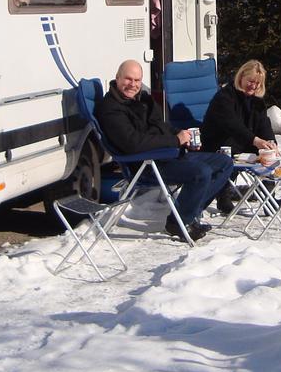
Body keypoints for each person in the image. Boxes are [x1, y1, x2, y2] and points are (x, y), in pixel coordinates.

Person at [96, 59, 233, 241]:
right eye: (128, 79)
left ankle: (188, 213)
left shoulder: (141, 99)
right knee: (201, 173)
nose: (133, 85)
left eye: (137, 80)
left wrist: (182, 136)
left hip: (166, 155)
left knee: (224, 162)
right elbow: (133, 143)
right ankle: (177, 223)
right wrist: (175, 141)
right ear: (117, 78)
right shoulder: (111, 109)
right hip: (147, 165)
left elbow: (160, 126)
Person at [201, 59, 279, 215]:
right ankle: (222, 196)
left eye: (257, 83)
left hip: (241, 141)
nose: (253, 86)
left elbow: (263, 124)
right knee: (238, 147)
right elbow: (232, 126)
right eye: (250, 81)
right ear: (241, 77)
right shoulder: (224, 97)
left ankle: (269, 198)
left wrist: (271, 143)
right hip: (218, 142)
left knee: (267, 155)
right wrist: (256, 141)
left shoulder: (256, 100)